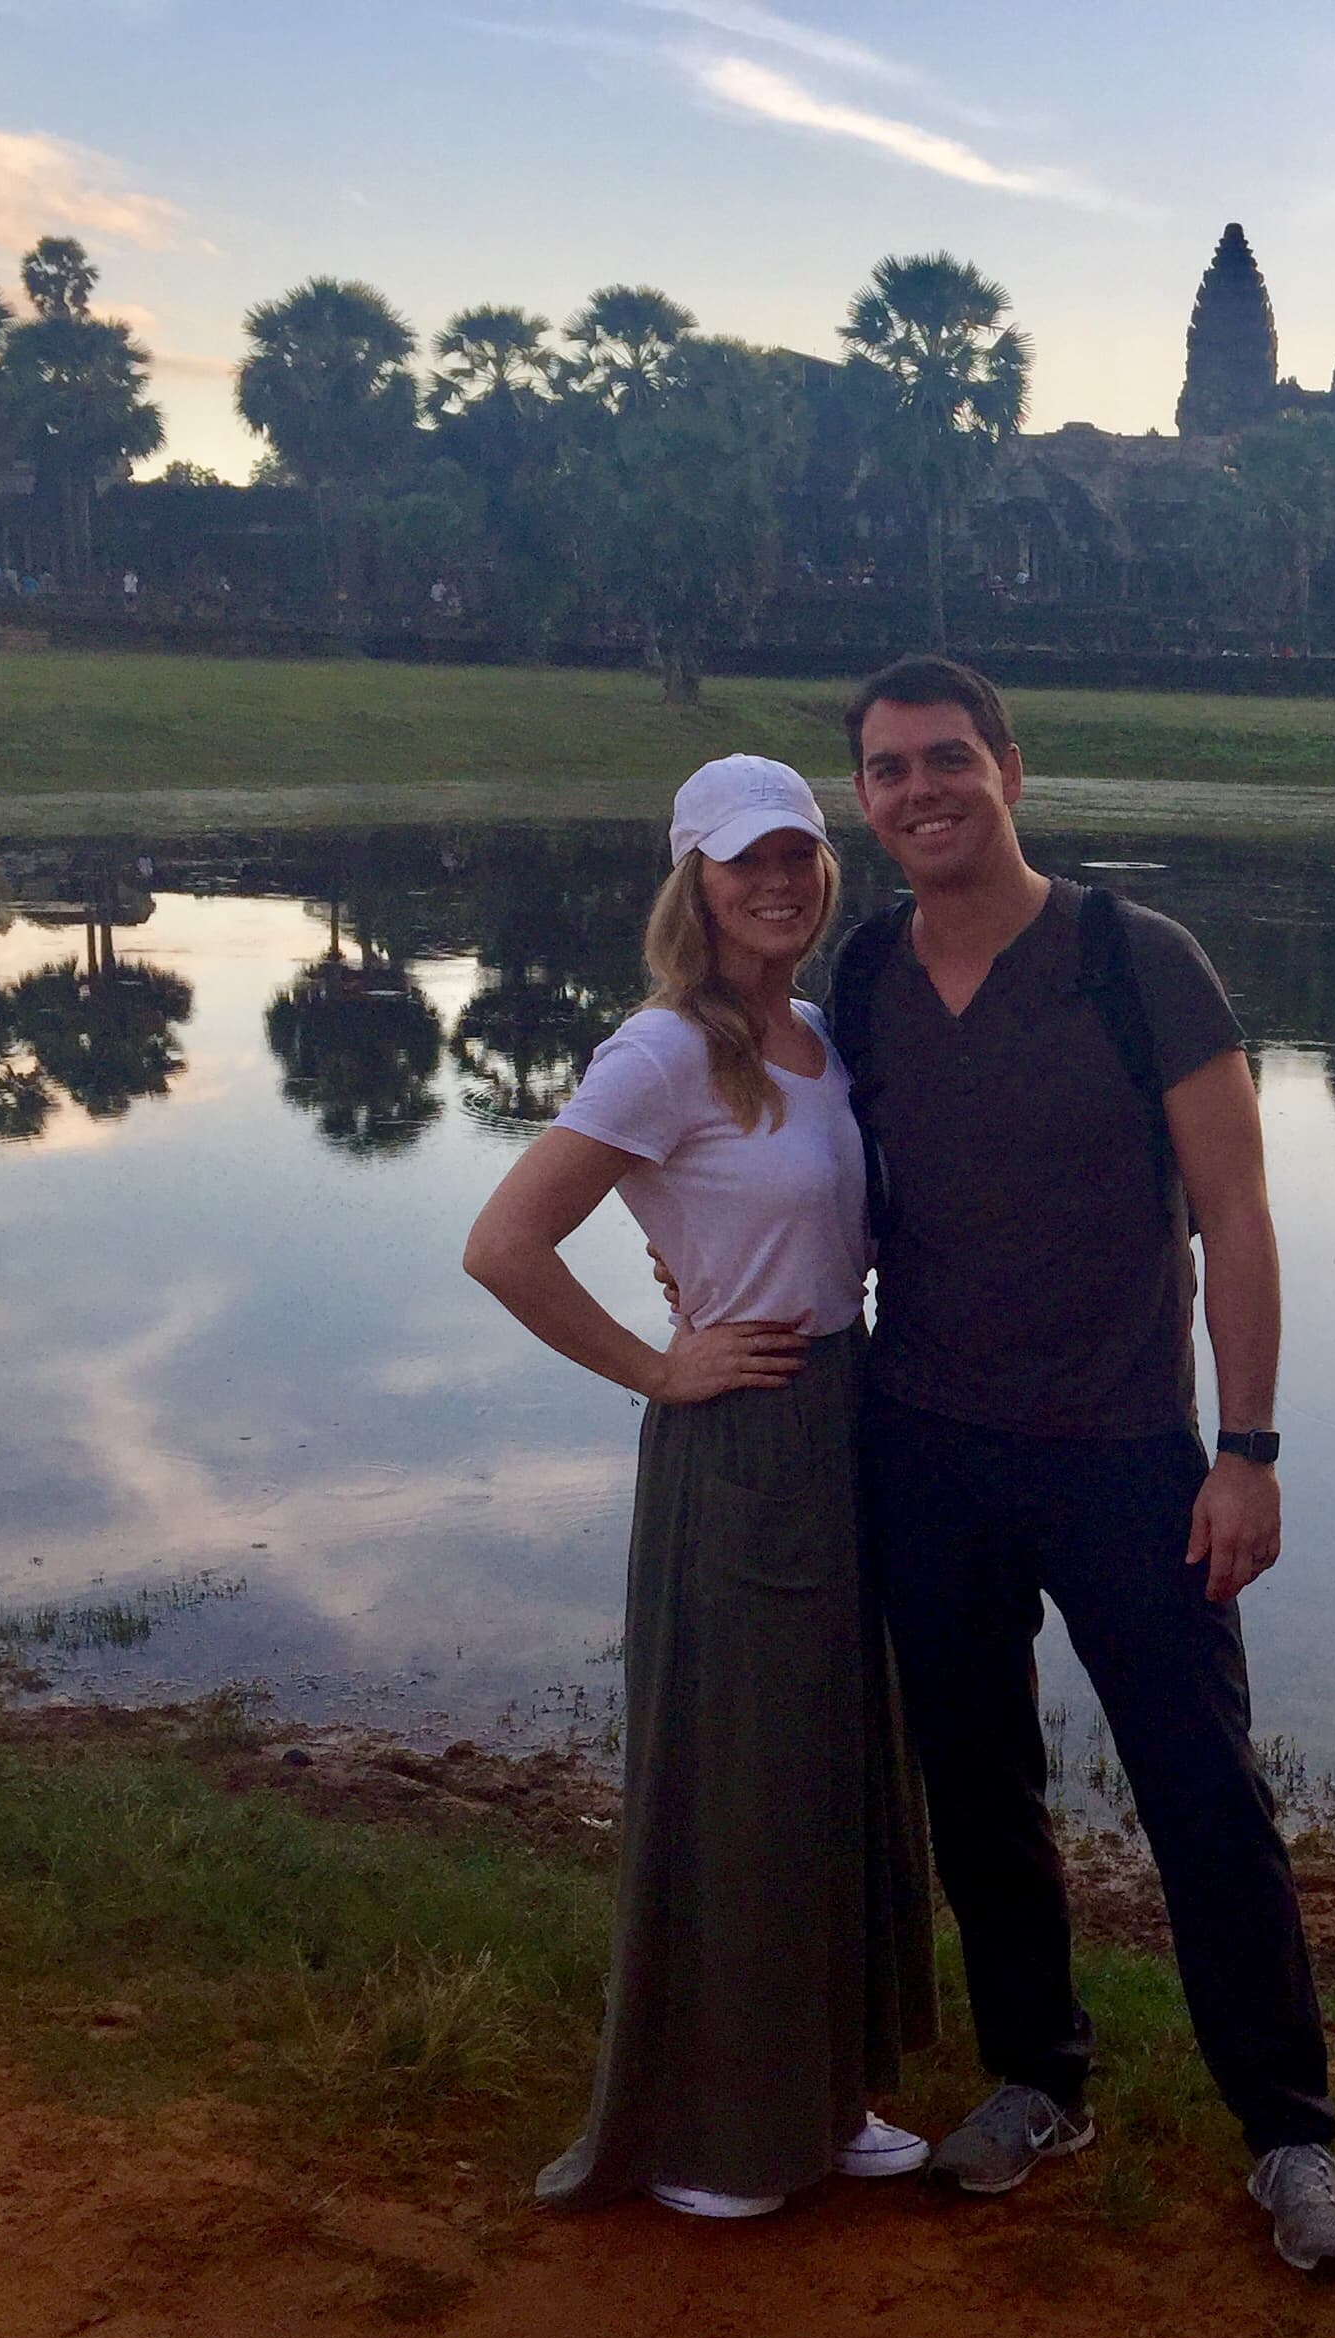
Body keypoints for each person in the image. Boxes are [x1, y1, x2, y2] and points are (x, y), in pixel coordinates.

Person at [828, 653, 1335, 2278]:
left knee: (1203, 1792)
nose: (921, 791)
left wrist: (1248, 1453)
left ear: (1010, 769)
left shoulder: (1137, 961)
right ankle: (1038, 2080)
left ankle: (1287, 2133)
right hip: (930, 1443)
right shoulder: (863, 974)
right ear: (864, 801)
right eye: (888, 770)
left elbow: (1239, 1219)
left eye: (947, 758)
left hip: (1128, 1453)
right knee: (979, 1785)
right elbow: (804, 1172)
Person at [464, 754, 937, 2221]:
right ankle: (714, 2136)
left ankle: (825, 2096)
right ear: (696, 883)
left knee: (833, 1762)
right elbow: (504, 1244)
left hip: (844, 1417)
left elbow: (796, 1216)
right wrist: (660, 1367)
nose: (778, 882)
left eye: (798, 854)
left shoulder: (818, 1036)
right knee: (742, 1776)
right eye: (746, 862)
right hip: (741, 1441)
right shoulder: (661, 1052)